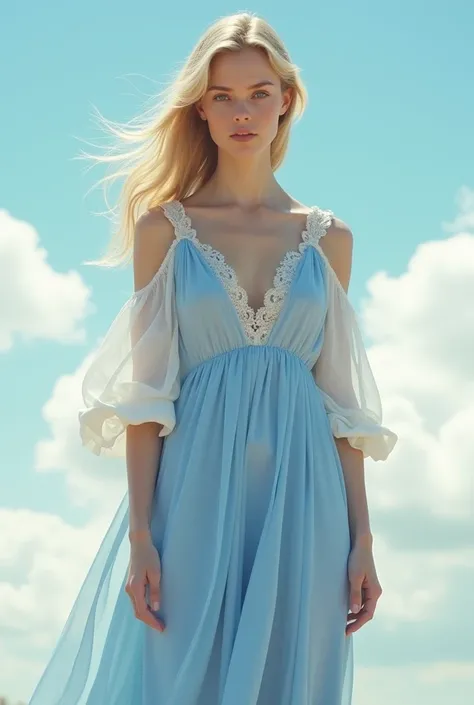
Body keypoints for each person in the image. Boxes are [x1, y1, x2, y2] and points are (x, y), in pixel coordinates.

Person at [28, 11, 398, 705]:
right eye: (224, 96)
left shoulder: (330, 240)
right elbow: (147, 397)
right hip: (191, 495)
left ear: (286, 99)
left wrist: (363, 539)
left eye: (259, 93)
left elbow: (342, 406)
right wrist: (142, 534)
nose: (243, 112)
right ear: (201, 106)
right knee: (182, 681)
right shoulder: (165, 231)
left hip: (304, 501)